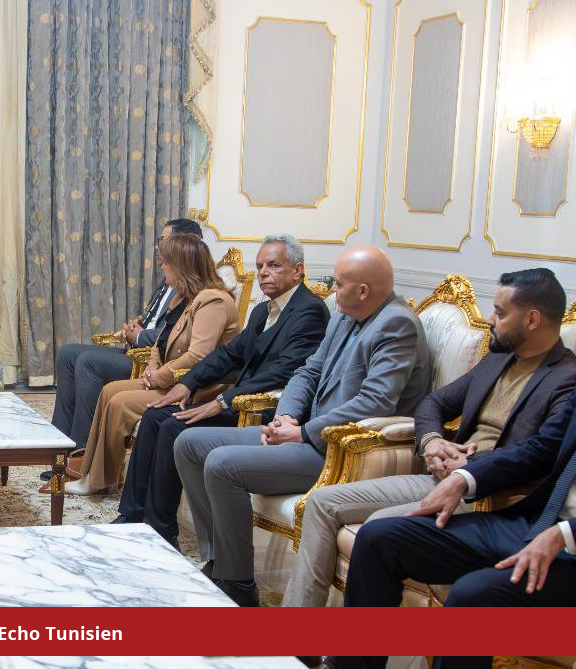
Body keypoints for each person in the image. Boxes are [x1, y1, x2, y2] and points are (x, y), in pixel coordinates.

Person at [284, 268, 576, 608]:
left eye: (500, 312)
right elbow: (434, 403)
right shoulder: (499, 358)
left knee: (380, 528)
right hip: (440, 474)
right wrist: (433, 441)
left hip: (488, 492)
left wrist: (469, 468)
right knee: (322, 502)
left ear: (532, 320)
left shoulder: (566, 378)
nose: (490, 320)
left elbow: (539, 454)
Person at [174, 245, 432, 606]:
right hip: (302, 432)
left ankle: (237, 584)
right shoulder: (344, 315)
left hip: (340, 452)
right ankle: (219, 559)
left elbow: (374, 403)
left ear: (363, 291)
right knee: (189, 443)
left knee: (222, 464)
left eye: (337, 283)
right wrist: (287, 416)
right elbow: (307, 371)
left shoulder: (397, 325)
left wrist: (302, 433)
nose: (330, 288)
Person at [115, 234, 330, 546]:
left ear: (297, 271)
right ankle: (133, 515)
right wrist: (188, 382)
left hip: (266, 410)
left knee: (173, 426)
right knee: (155, 416)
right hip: (237, 400)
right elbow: (228, 355)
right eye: (260, 266)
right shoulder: (262, 311)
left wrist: (223, 399)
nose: (263, 273)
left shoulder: (310, 311)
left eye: (273, 265)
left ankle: (161, 531)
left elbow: (284, 372)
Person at [341, 391, 576, 669]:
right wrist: (464, 478)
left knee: (472, 595)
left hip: (566, 547)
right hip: (538, 525)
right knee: (379, 538)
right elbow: (541, 448)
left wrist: (564, 534)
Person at [66, 233, 241, 495]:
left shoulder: (213, 301)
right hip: (172, 379)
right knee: (109, 391)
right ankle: (93, 473)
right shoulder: (184, 297)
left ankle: (99, 481)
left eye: (166, 261)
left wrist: (159, 377)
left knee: (120, 403)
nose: (162, 266)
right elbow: (160, 342)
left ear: (181, 265)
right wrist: (151, 367)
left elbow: (198, 356)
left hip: (198, 388)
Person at [51, 218, 203, 448]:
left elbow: (175, 334)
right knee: (67, 353)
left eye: (163, 240)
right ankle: (59, 443)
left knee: (88, 362)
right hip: (135, 350)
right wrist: (134, 327)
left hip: (150, 360)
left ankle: (81, 450)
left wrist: (140, 336)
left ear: (183, 244)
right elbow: (154, 320)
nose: (158, 246)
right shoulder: (167, 281)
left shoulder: (191, 286)